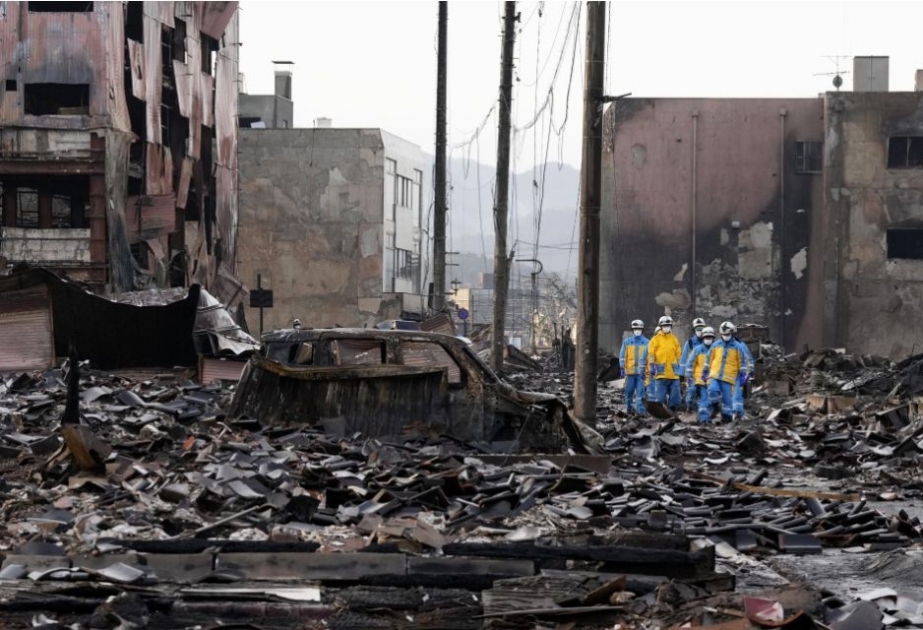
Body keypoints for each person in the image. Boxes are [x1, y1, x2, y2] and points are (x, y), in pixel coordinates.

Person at [704, 321, 750, 423]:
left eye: (727, 334)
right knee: (712, 391)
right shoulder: (716, 345)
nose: (726, 336)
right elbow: (709, 359)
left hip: (729, 377)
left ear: (732, 334)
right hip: (715, 375)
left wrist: (743, 374)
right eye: (724, 334)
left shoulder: (738, 347)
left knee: (727, 401)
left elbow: (742, 361)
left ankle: (727, 419)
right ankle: (715, 407)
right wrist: (705, 371)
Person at [647, 315, 682, 410]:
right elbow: (651, 354)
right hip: (661, 372)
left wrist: (680, 367)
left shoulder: (674, 339)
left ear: (671, 327)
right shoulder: (655, 339)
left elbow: (679, 354)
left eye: (668, 325)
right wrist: (652, 365)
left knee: (675, 394)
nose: (667, 327)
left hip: (673, 373)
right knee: (660, 397)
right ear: (661, 327)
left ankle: (672, 410)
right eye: (665, 326)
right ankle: (662, 411)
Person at [619, 319, 649, 415]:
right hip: (630, 372)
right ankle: (629, 409)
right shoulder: (627, 342)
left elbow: (649, 358)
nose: (637, 330)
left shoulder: (647, 342)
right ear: (632, 329)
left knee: (641, 393)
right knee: (629, 392)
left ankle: (641, 412)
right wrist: (622, 368)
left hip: (641, 373)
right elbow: (622, 356)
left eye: (639, 328)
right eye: (635, 328)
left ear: (642, 329)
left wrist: (648, 371)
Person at [686, 326, 715, 423]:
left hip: (711, 380)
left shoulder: (716, 350)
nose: (708, 340)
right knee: (692, 394)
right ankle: (691, 408)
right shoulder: (697, 349)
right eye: (706, 338)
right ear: (703, 338)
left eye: (710, 338)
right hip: (698, 378)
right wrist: (689, 376)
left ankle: (704, 419)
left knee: (706, 399)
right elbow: (690, 363)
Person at [679, 317, 707, 410]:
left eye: (701, 329)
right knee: (691, 392)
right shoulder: (690, 343)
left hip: (706, 374)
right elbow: (684, 359)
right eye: (697, 329)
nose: (700, 331)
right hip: (693, 375)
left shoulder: (709, 342)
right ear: (694, 330)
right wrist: (682, 375)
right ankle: (690, 410)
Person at [733, 332, 755, 418]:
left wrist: (748, 373)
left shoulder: (741, 346)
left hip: (739, 374)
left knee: (738, 394)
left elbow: (748, 360)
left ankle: (738, 413)